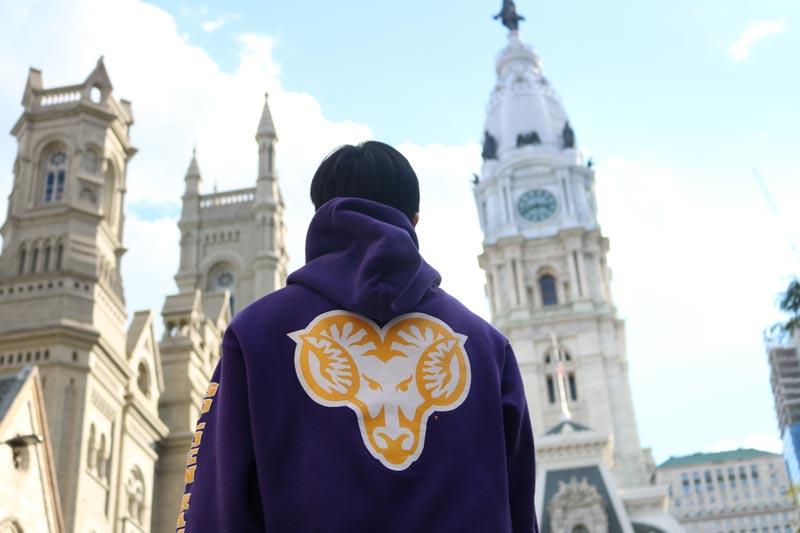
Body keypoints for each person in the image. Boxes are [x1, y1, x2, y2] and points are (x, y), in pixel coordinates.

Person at [176, 141, 537, 532]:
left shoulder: (255, 334)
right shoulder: (487, 350)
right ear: (414, 221)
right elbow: (521, 509)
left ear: (320, 217)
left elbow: (215, 504)